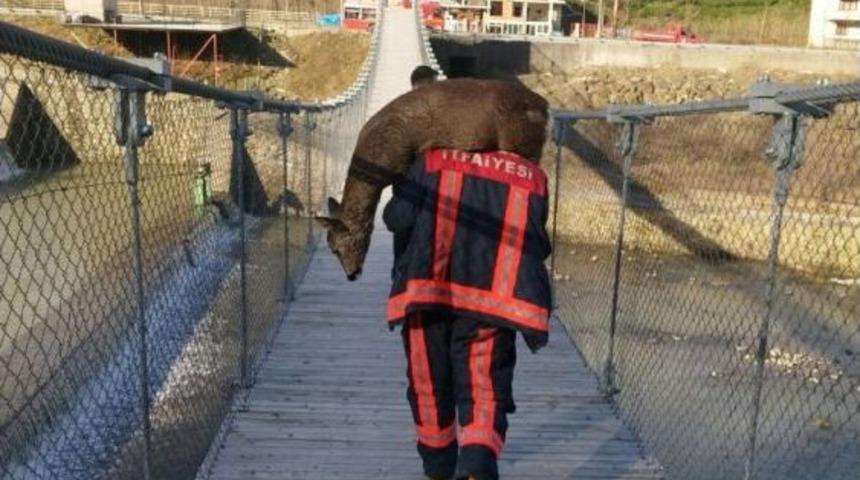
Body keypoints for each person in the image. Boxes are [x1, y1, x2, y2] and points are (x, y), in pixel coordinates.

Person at [383, 147, 553, 480]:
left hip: (427, 292)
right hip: (492, 304)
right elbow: (539, 244)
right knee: (484, 387)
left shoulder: (431, 160)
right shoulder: (531, 174)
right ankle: (475, 468)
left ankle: (438, 471)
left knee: (428, 383)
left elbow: (395, 219)